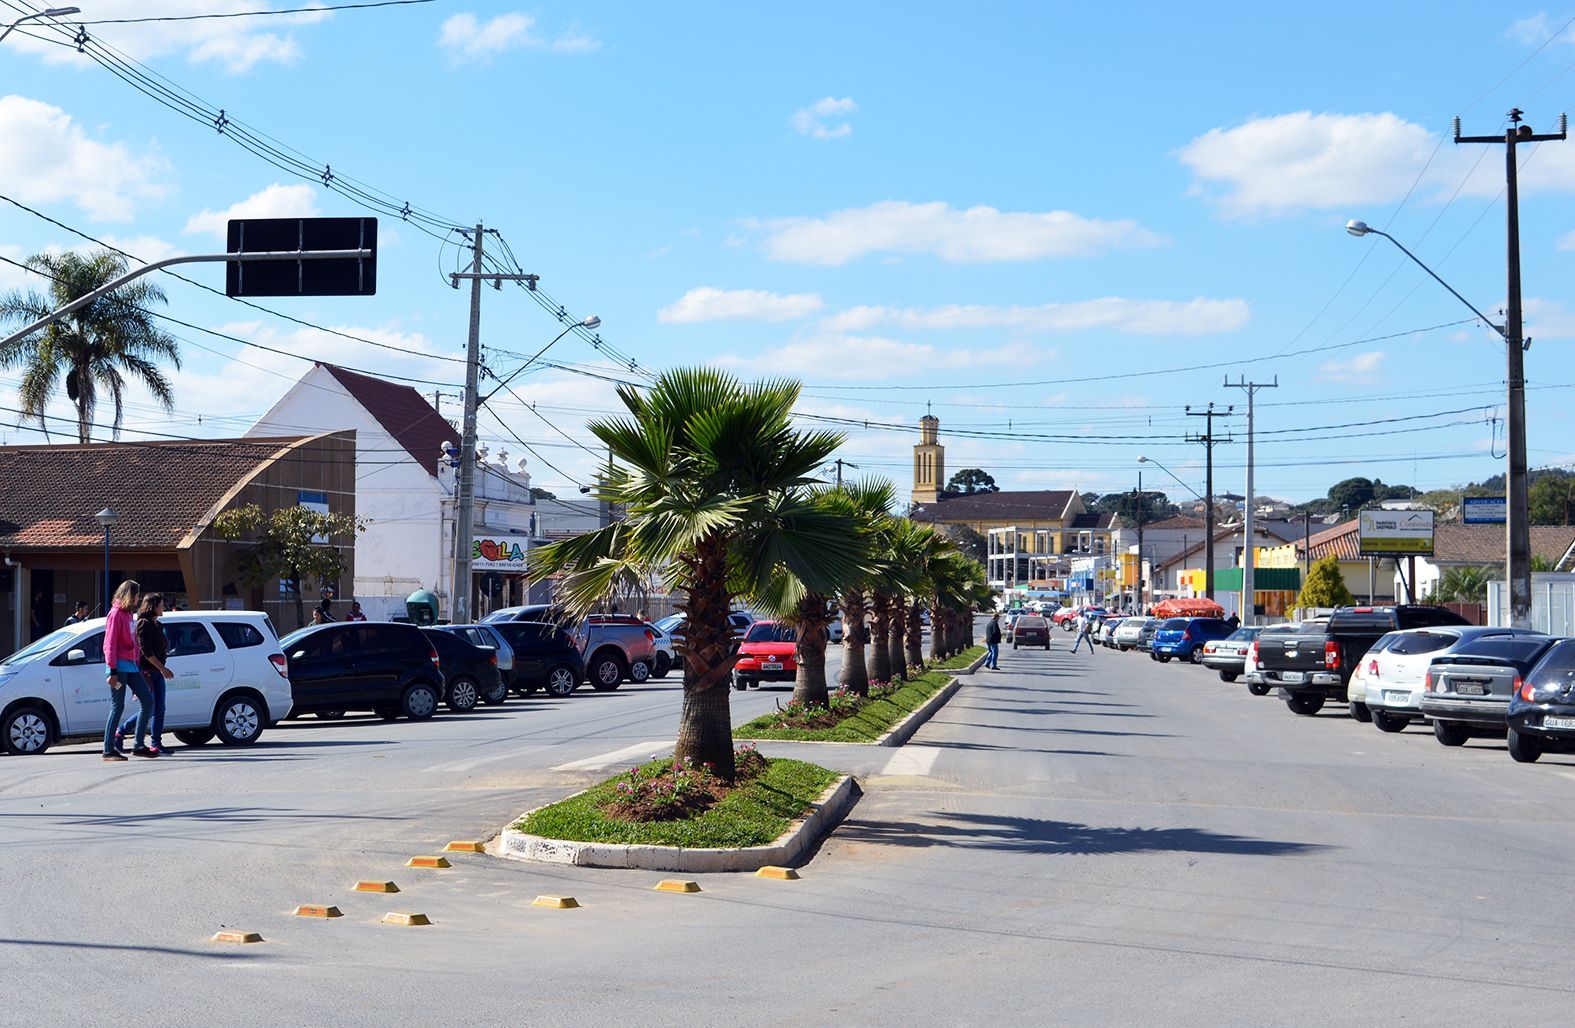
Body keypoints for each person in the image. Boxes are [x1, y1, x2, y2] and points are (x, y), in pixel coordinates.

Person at [102, 580, 156, 761]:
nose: (138, 598)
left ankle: (138, 745)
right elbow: (109, 644)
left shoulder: (127, 615)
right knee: (118, 707)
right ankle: (108, 750)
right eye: (137, 594)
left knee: (148, 701)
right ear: (129, 594)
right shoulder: (115, 614)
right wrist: (112, 670)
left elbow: (132, 645)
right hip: (118, 668)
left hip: (131, 667)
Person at [118, 592, 172, 756]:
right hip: (146, 672)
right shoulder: (143, 623)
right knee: (150, 707)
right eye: (161, 605)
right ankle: (121, 731)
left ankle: (156, 743)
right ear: (153, 606)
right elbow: (145, 651)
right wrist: (163, 668)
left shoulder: (159, 625)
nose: (163, 607)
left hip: (157, 671)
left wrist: (162, 667)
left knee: (160, 708)